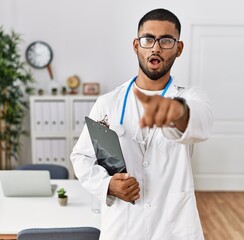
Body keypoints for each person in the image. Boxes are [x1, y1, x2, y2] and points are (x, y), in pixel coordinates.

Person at [70, 8, 212, 239]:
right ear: (136, 45)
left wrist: (176, 110)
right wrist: (108, 185)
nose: (156, 47)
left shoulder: (191, 98)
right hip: (124, 226)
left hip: (173, 228)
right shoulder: (108, 102)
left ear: (179, 48)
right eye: (148, 39)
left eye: (166, 40)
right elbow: (81, 157)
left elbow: (201, 119)